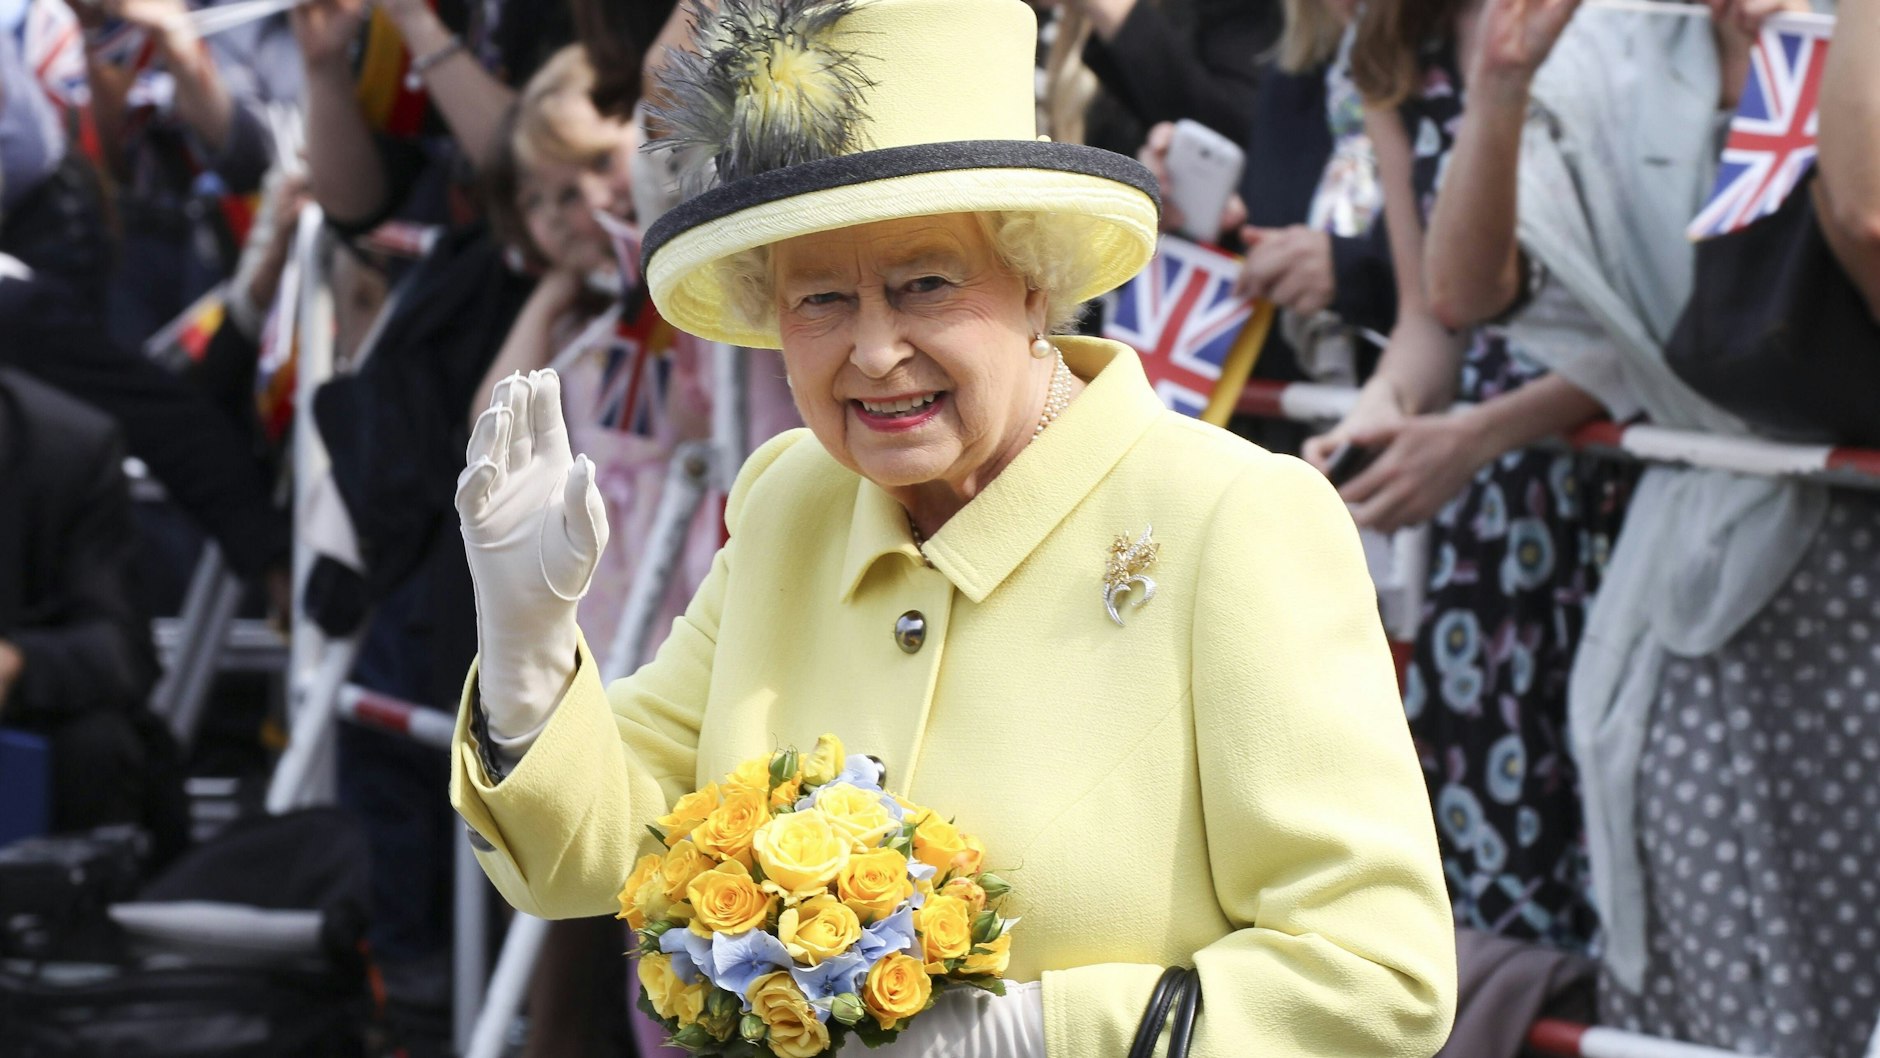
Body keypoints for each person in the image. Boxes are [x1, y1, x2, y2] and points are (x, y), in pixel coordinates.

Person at [449, 1, 1458, 1055]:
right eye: (822, 299)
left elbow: (1373, 974)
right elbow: (599, 850)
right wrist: (527, 658)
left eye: (924, 284)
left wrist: (1034, 1032)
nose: (875, 350)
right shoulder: (790, 498)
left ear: (1035, 280)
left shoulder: (1232, 519)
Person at [0, 364, 187, 866]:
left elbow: (121, 652)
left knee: (99, 745)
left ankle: (67, 928)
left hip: (27, 722)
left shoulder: (69, 449)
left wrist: (17, 663)